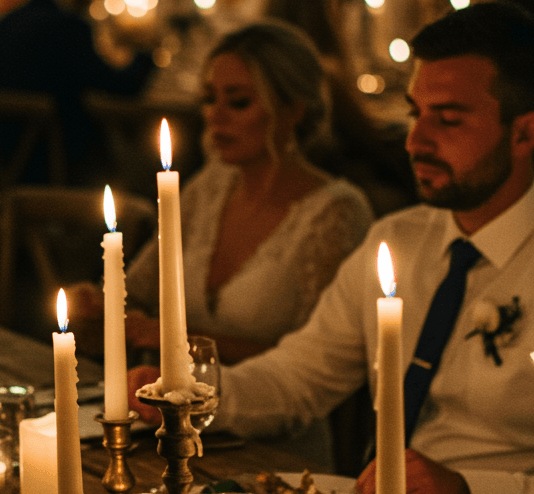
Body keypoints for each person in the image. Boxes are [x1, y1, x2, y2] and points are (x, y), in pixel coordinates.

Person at [132, 1, 534, 494]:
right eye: (415, 113)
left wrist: (471, 491)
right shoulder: (400, 240)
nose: (416, 140)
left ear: (524, 134)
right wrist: (191, 396)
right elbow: (298, 376)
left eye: (448, 119)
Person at [115, 23, 371, 374]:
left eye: (238, 102)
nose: (215, 116)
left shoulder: (336, 213)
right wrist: (99, 306)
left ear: (293, 110)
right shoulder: (210, 186)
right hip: (175, 410)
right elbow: (136, 291)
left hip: (273, 422)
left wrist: (181, 340)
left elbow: (319, 361)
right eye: (209, 99)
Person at [0, 0, 153, 179]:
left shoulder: (6, 23)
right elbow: (121, 86)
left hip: (1, 160)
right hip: (59, 162)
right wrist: (148, 53)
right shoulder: (68, 27)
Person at [267, 0, 417, 216]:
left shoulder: (267, 66)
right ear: (319, 8)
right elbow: (367, 141)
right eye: (337, 0)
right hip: (334, 188)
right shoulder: (321, 72)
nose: (344, 11)